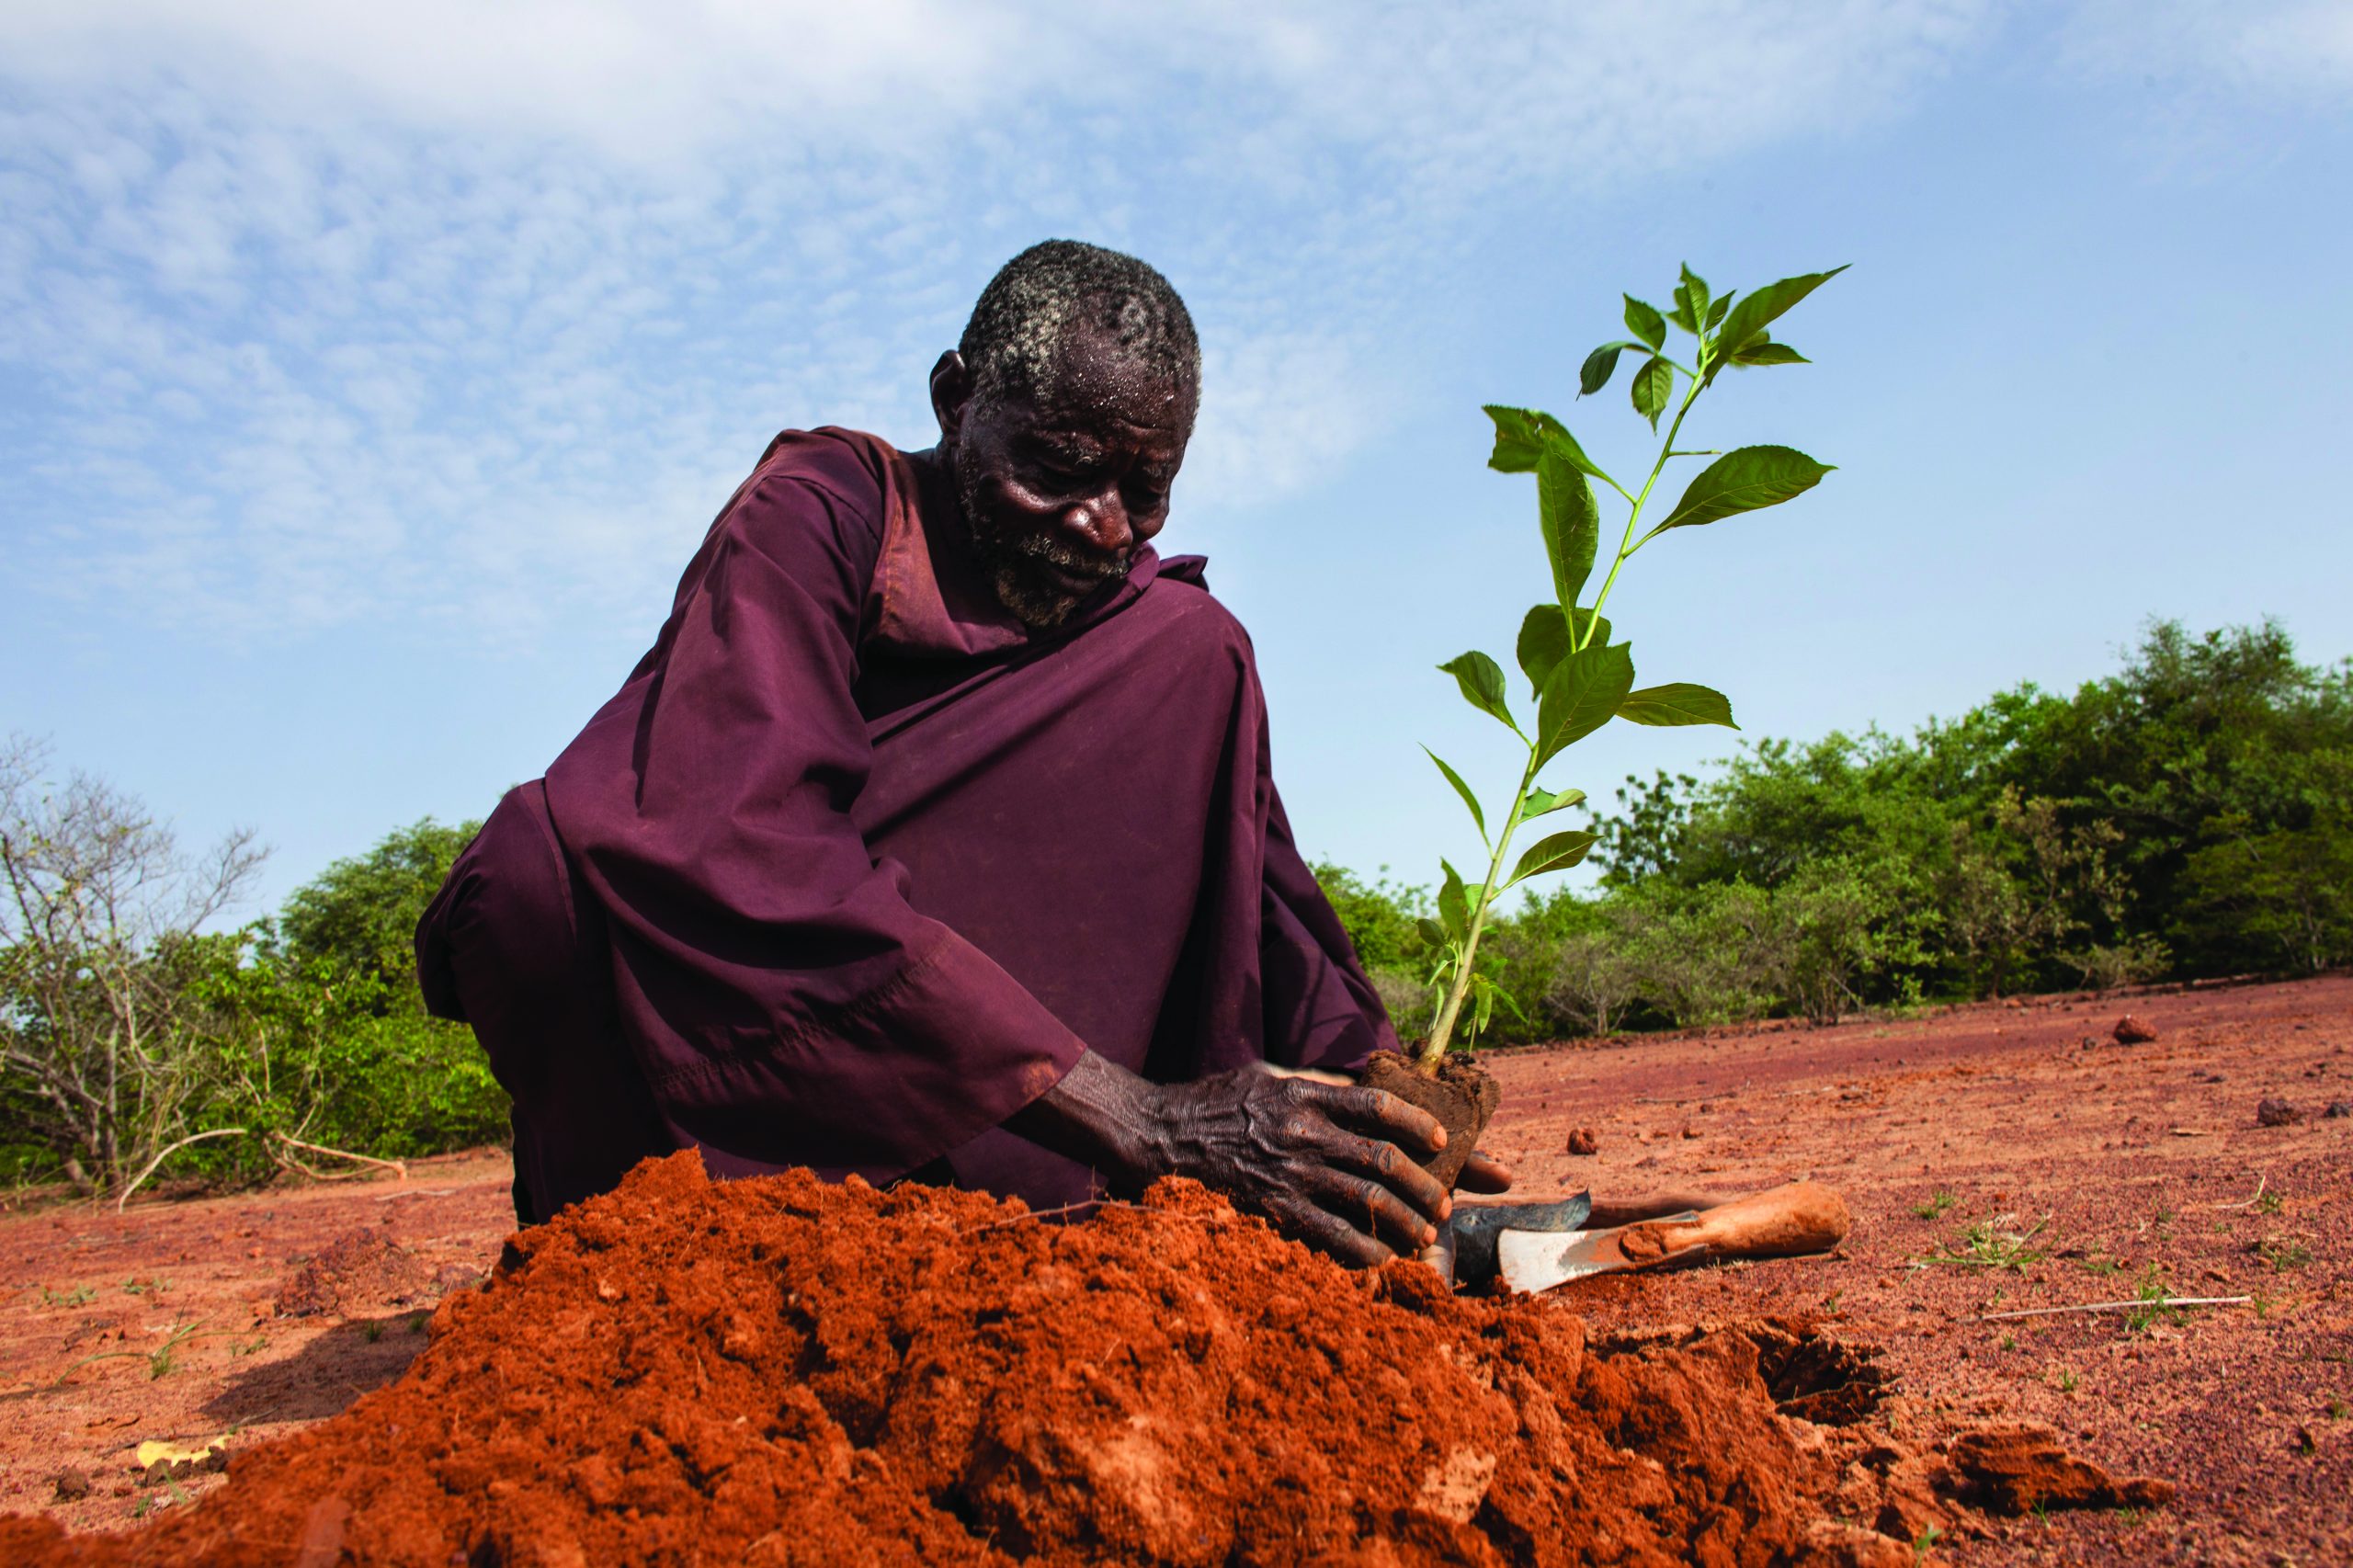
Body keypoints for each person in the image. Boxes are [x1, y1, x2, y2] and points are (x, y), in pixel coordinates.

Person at [417, 240, 1510, 1266]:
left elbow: (1258, 876)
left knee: (1194, 647)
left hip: (976, 1082)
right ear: (955, 400)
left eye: (1145, 489)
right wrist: (1141, 1117)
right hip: (729, 1057)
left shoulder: (1147, 628)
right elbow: (734, 834)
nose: (1103, 526)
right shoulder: (821, 516)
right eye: (1058, 469)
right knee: (536, 867)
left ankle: (1110, 1209)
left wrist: (1371, 1103)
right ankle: (630, 1226)